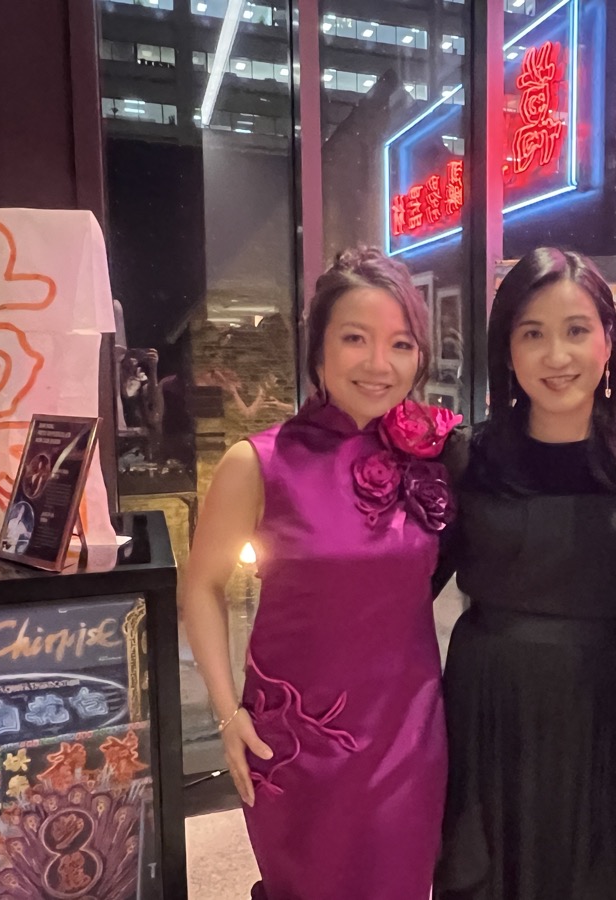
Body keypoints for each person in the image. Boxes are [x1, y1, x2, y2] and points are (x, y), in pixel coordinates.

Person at [180, 247, 459, 900]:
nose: (378, 364)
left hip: (409, 737)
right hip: (297, 740)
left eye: (400, 344)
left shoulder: (435, 457)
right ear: (319, 349)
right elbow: (200, 586)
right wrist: (227, 716)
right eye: (355, 339)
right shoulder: (260, 462)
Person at [434, 248, 616, 900]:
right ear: (507, 350)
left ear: (609, 341)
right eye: (532, 333)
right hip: (490, 698)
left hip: (609, 699)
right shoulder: (467, 457)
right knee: (486, 868)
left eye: (576, 330)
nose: (556, 356)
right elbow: (408, 586)